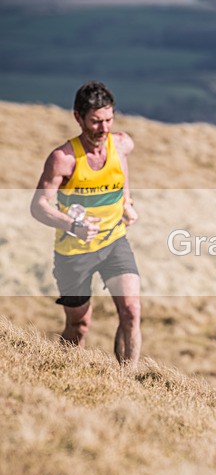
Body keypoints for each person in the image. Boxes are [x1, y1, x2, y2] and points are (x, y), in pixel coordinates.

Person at [30, 81, 142, 367]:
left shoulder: (121, 143)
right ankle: (64, 372)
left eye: (108, 120)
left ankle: (126, 382)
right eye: (95, 121)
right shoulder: (63, 159)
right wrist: (72, 226)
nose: (103, 129)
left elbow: (121, 169)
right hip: (74, 252)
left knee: (131, 311)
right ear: (78, 118)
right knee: (79, 326)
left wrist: (126, 202)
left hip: (114, 240)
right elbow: (38, 206)